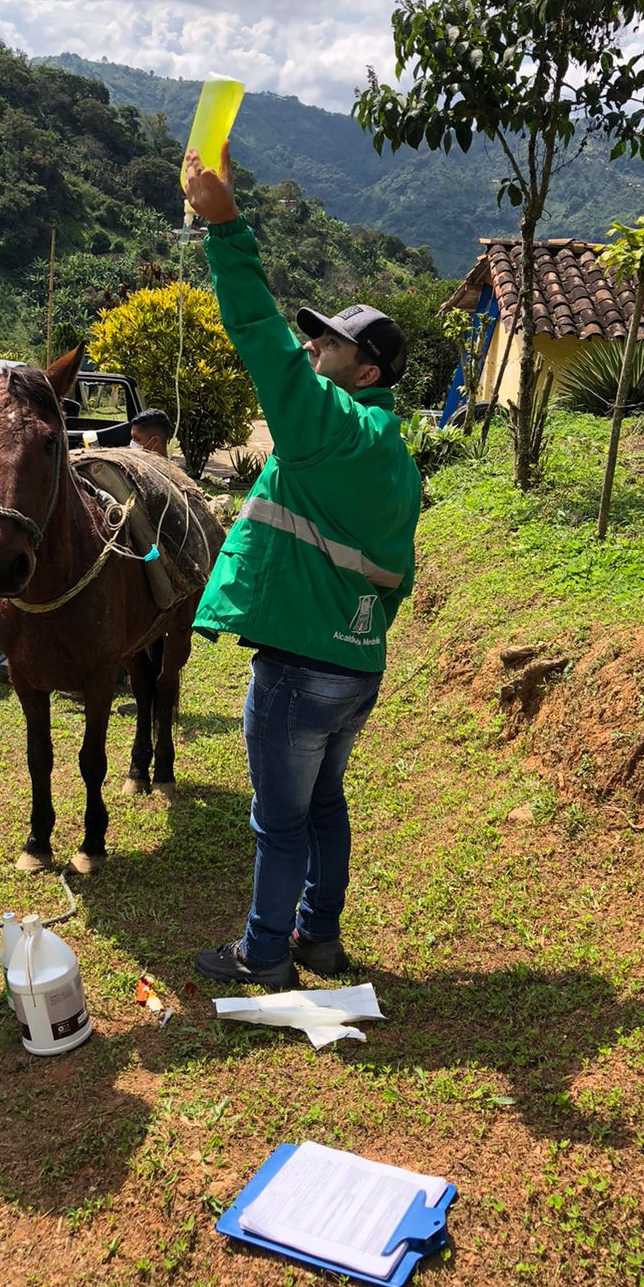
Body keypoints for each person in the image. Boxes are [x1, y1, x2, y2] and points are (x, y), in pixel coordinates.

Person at [185, 144, 421, 990]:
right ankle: (319, 939)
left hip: (300, 670)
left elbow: (260, 340)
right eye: (316, 337)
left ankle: (263, 955)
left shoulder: (328, 429)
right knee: (323, 805)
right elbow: (401, 571)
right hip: (357, 665)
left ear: (369, 371)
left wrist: (224, 229)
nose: (313, 349)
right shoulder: (393, 449)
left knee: (278, 821)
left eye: (329, 344)